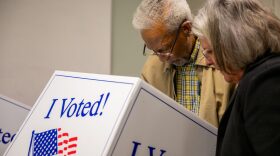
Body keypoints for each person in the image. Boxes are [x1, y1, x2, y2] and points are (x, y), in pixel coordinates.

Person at [193, 0, 280, 155]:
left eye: (210, 51)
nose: (207, 61)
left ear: (232, 43)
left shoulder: (265, 82)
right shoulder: (255, 78)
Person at [132, 0, 235, 127]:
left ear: (186, 28)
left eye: (165, 49)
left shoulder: (223, 61)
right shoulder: (152, 68)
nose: (161, 59)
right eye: (153, 50)